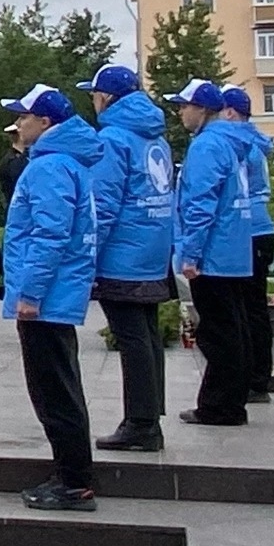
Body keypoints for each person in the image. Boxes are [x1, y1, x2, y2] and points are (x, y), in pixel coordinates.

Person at [3, 86, 104, 507]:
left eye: (24, 117)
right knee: (59, 386)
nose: (19, 124)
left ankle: (74, 481)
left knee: (54, 391)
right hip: (57, 295)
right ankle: (69, 473)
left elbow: (50, 234)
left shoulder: (48, 167)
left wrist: (31, 292)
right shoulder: (67, 164)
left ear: (45, 122)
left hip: (47, 299)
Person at [82, 65, 175, 454]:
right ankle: (150, 416)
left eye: (94, 94)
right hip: (153, 250)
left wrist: (88, 257)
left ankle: (140, 424)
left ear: (106, 98)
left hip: (122, 253)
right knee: (147, 336)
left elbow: (101, 206)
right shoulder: (156, 138)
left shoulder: (113, 139)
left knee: (132, 338)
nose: (92, 101)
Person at [171, 80, 254, 427]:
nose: (180, 113)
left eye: (184, 106)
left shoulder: (206, 146)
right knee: (235, 329)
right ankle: (232, 401)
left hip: (213, 253)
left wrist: (190, 253)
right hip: (233, 249)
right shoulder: (231, 143)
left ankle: (220, 406)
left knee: (218, 334)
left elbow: (200, 203)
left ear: (202, 109)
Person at [220, 86, 274, 411]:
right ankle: (257, 378)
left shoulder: (238, 145)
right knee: (254, 308)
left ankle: (254, 380)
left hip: (249, 230)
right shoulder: (253, 140)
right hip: (261, 227)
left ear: (230, 113)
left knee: (246, 310)